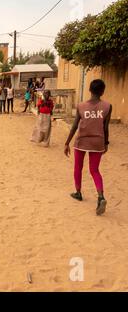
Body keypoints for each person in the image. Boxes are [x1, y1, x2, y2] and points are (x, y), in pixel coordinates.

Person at [64, 80, 112, 216]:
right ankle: (101, 196)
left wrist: (67, 142)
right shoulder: (107, 106)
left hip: (82, 141)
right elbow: (105, 127)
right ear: (102, 91)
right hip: (98, 142)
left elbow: (74, 126)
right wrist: (106, 143)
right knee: (95, 170)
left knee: (78, 168)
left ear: (89, 90)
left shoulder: (81, 106)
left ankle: (78, 192)